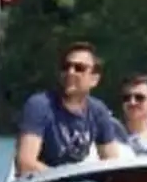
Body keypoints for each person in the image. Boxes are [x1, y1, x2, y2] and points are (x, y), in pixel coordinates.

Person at [13, 41, 123, 175]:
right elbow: (25, 164)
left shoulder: (98, 111)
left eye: (79, 68)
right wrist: (69, 179)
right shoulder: (39, 105)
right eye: (65, 67)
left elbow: (111, 163)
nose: (70, 72)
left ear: (94, 79)